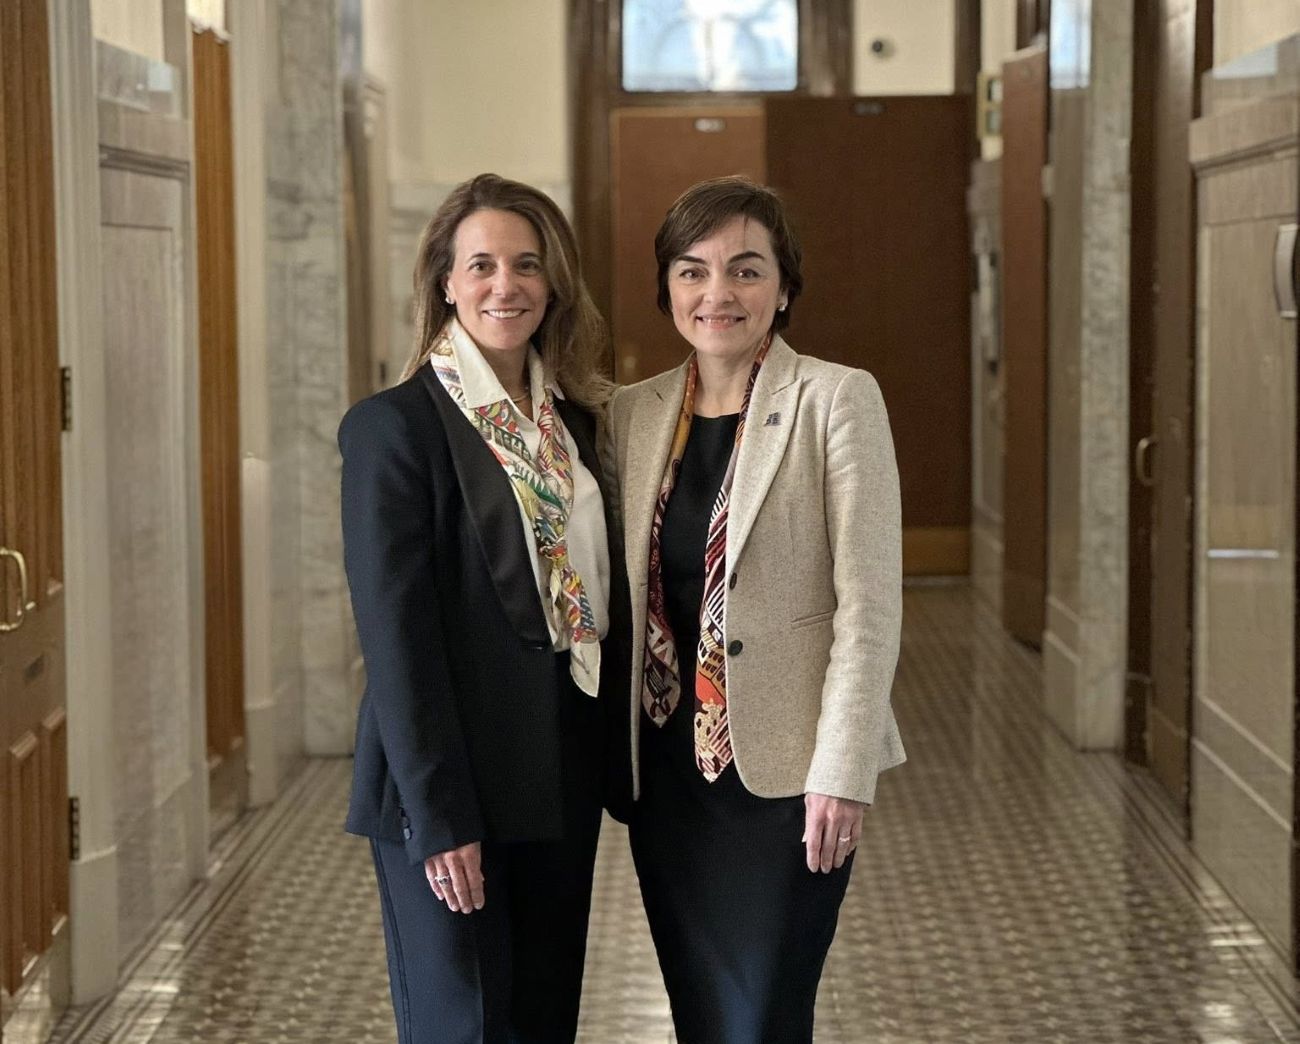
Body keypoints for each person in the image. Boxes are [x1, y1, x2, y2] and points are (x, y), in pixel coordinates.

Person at [606, 176, 905, 1043]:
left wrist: (842, 772)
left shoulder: (835, 400)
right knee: (701, 1013)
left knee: (764, 1016)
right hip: (668, 778)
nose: (718, 293)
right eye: (692, 271)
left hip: (788, 781)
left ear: (783, 287)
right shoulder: (632, 413)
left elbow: (869, 608)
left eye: (745, 270)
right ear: (667, 287)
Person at [338, 172, 628, 1044]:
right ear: (446, 281)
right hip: (449, 780)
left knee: (542, 1022)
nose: (507, 285)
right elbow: (398, 642)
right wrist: (440, 819)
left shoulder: (575, 426)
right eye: (483, 265)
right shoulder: (396, 428)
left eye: (528, 264)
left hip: (558, 772)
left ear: (555, 283)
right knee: (464, 1026)